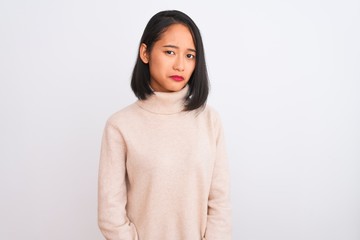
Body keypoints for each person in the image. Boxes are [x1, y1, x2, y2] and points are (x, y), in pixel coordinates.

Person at [98, 10, 231, 240]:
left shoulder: (210, 121)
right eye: (170, 52)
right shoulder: (120, 126)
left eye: (190, 56)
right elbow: (110, 214)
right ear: (145, 52)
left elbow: (219, 204)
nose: (180, 65)